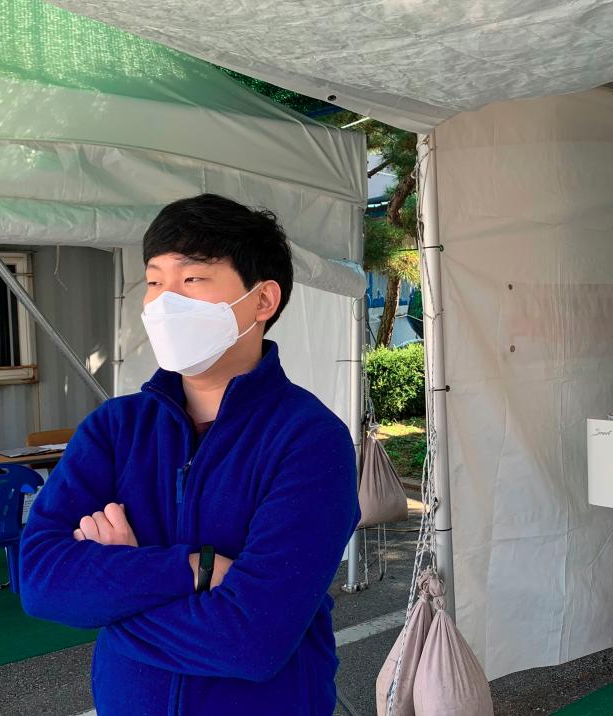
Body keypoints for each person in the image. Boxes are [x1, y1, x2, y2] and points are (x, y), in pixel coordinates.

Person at [20, 194, 360, 715]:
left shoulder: (310, 440)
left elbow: (252, 640)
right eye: (154, 281)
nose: (162, 302)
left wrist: (113, 590)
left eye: (191, 280)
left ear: (262, 301)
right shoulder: (115, 429)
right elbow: (41, 580)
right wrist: (195, 569)